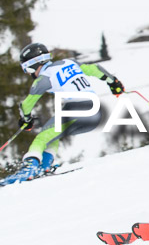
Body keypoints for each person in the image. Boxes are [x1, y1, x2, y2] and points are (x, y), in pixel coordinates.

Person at [2, 43, 124, 184]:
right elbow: (95, 69)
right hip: (95, 114)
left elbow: (27, 103)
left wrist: (26, 119)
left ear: (33, 65)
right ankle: (44, 165)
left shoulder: (45, 77)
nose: (28, 73)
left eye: (26, 69)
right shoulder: (69, 62)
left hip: (77, 109)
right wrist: (113, 82)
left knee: (42, 137)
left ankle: (28, 168)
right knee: (52, 134)